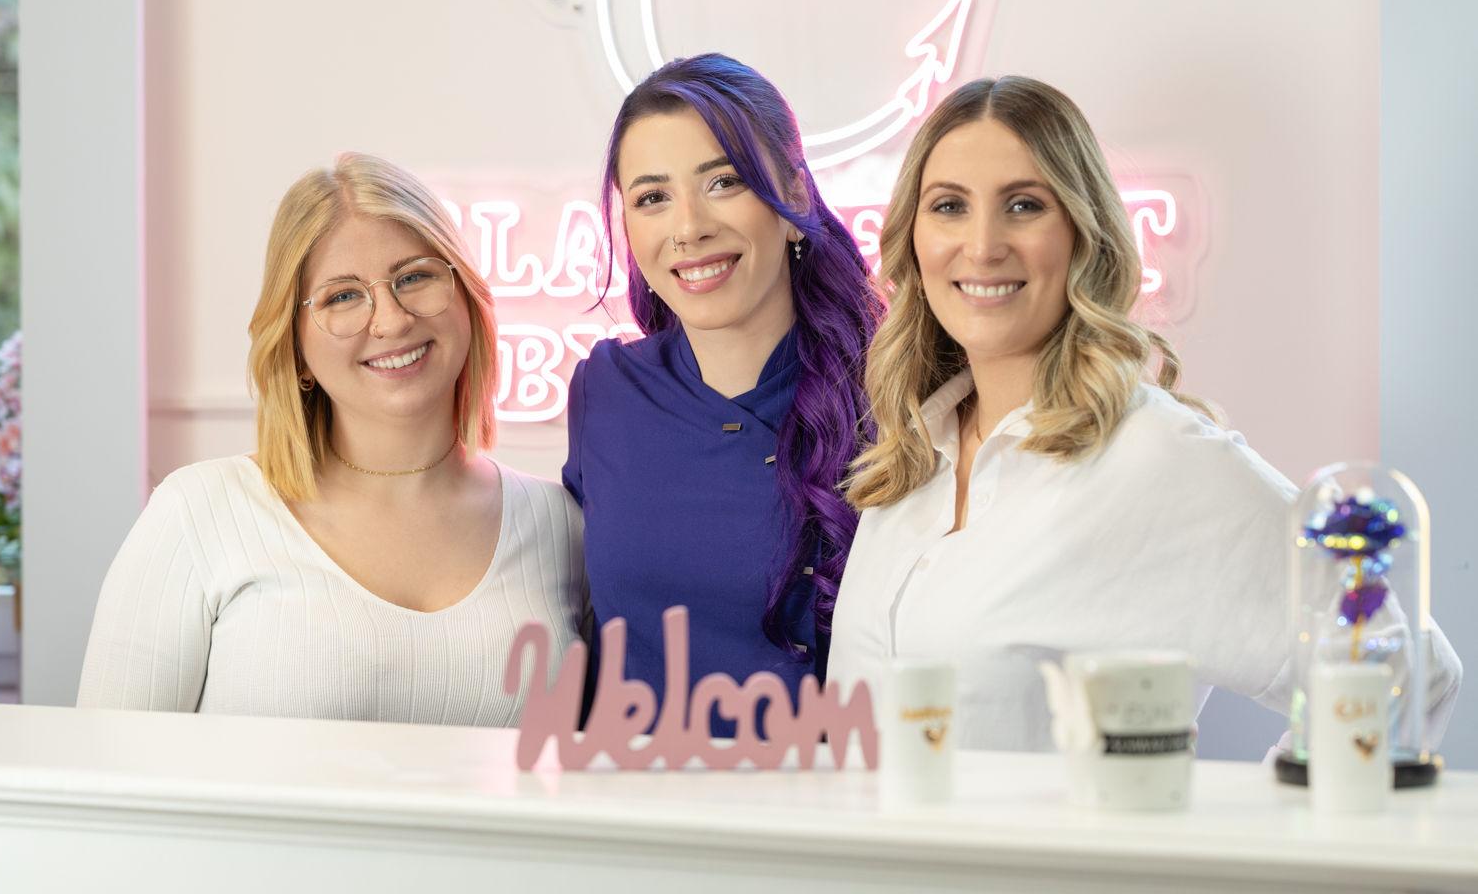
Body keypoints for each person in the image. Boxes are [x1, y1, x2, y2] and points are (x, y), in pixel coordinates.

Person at [829, 77, 1461, 752]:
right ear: (913, 238)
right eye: (949, 206)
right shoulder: (909, 461)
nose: (983, 245)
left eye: (1024, 205)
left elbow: (1406, 670)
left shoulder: (1155, 455)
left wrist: (1273, 812)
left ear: (1083, 234)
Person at [78, 153, 586, 723]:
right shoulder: (199, 513)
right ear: (294, 346)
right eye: (342, 296)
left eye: (414, 277)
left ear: (466, 297)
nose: (391, 320)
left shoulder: (562, 525)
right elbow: (107, 765)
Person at [564, 54, 883, 735]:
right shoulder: (605, 392)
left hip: (833, 793)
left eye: (724, 181)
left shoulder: (894, 393)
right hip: (631, 792)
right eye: (653, 197)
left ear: (795, 199)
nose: (689, 227)